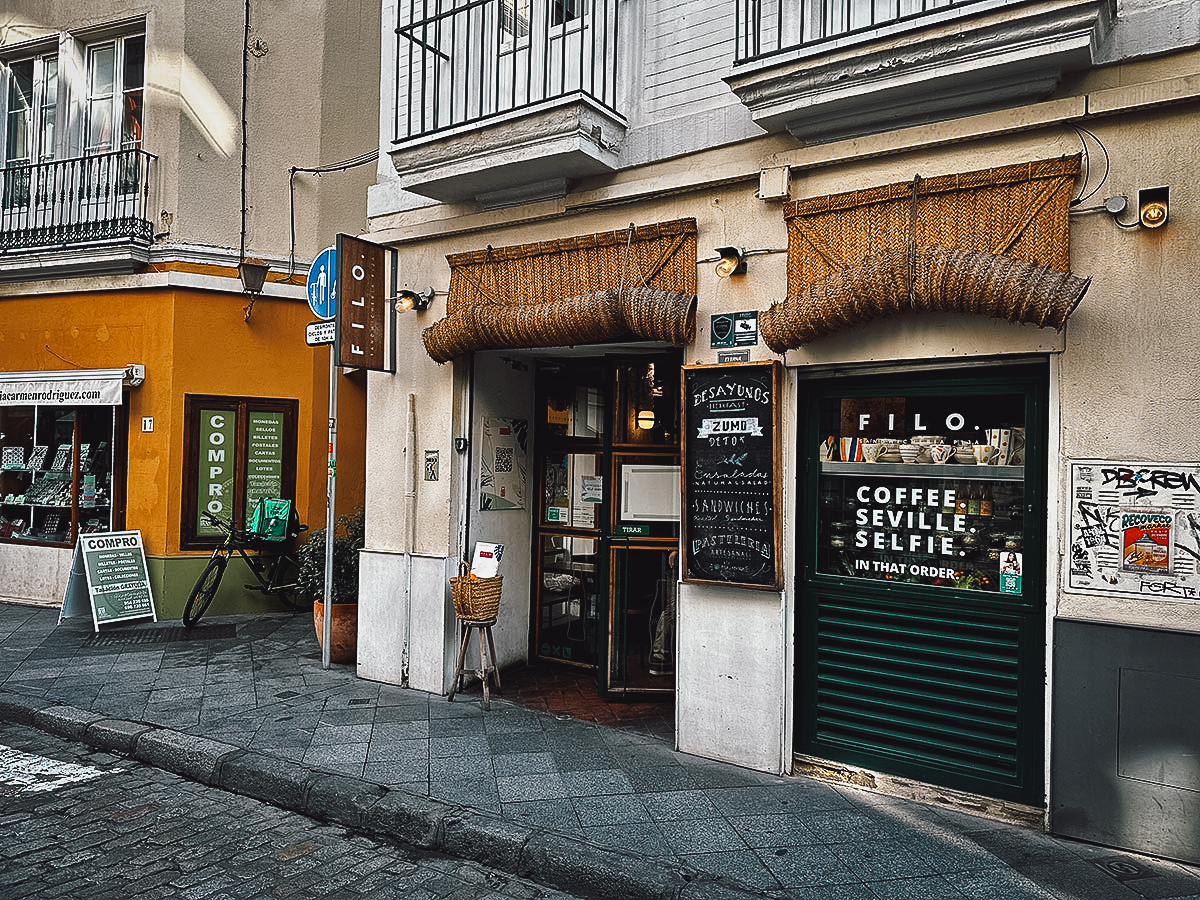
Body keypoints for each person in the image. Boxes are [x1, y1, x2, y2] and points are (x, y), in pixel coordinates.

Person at [649, 549, 677, 675]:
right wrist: (675, 548)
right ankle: (661, 656)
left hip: (677, 561)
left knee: (672, 611)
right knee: (671, 611)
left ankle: (661, 656)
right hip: (676, 563)